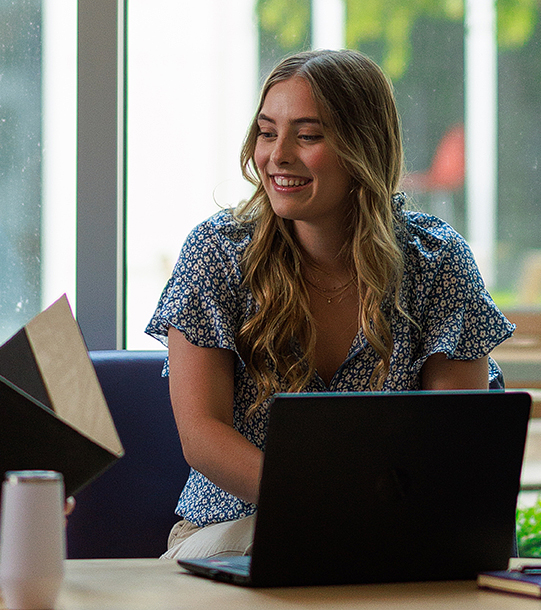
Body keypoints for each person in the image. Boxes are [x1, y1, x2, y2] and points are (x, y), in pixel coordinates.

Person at [145, 49, 512, 559]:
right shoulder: (217, 252)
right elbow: (202, 436)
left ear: (365, 148)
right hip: (237, 533)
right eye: (267, 132)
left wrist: (373, 523)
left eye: (308, 135)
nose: (277, 155)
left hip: (392, 534)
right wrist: (329, 511)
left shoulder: (437, 261)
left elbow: (455, 438)